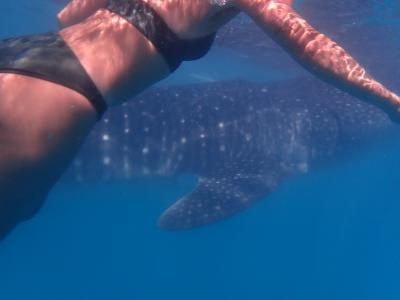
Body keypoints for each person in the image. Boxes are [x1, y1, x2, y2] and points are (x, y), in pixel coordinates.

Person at [0, 0, 398, 240]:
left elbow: (68, 15)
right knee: (18, 210)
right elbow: (312, 47)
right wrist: (389, 102)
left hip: (27, 55)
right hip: (66, 88)